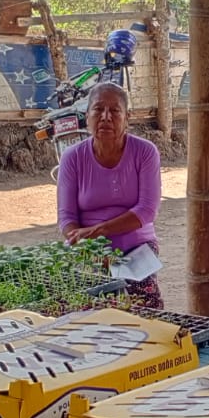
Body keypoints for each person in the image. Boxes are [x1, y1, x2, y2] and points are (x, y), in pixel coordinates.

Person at [57, 80, 164, 307]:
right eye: (98, 109)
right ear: (87, 116)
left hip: (137, 247)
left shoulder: (145, 152)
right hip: (89, 249)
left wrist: (97, 232)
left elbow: (147, 210)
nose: (105, 117)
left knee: (143, 305)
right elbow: (66, 217)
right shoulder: (72, 157)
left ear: (127, 118)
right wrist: (87, 246)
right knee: (79, 306)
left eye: (115, 111)